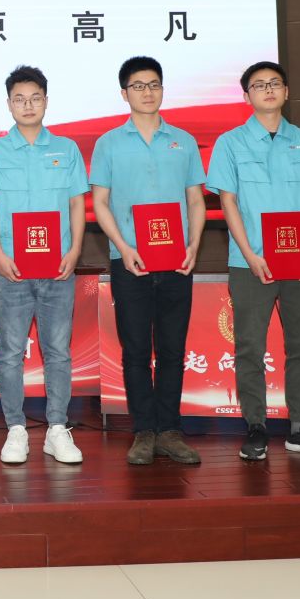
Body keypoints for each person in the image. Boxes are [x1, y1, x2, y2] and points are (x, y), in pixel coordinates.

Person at [205, 60, 300, 461]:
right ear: (246, 96)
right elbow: (228, 201)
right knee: (249, 346)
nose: (268, 89)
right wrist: (250, 254)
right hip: (250, 263)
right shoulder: (230, 143)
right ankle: (256, 427)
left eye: (275, 83)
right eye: (259, 85)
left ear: (286, 92)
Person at [90, 56, 207, 467]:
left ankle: (170, 431)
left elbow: (195, 199)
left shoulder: (183, 141)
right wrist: (123, 247)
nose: (147, 92)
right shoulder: (108, 143)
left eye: (154, 84)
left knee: (172, 349)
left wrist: (194, 245)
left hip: (177, 261)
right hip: (130, 262)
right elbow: (100, 203)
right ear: (124, 93)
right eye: (138, 86)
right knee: (136, 350)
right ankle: (143, 431)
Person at [0, 65, 87, 465]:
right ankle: (16, 429)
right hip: (12, 270)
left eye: (35, 98)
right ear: (9, 104)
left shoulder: (66, 150)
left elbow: (77, 203)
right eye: (19, 99)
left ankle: (57, 429)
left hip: (59, 268)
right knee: (9, 353)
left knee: (58, 352)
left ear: (46, 101)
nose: (28, 105)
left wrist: (75, 250)